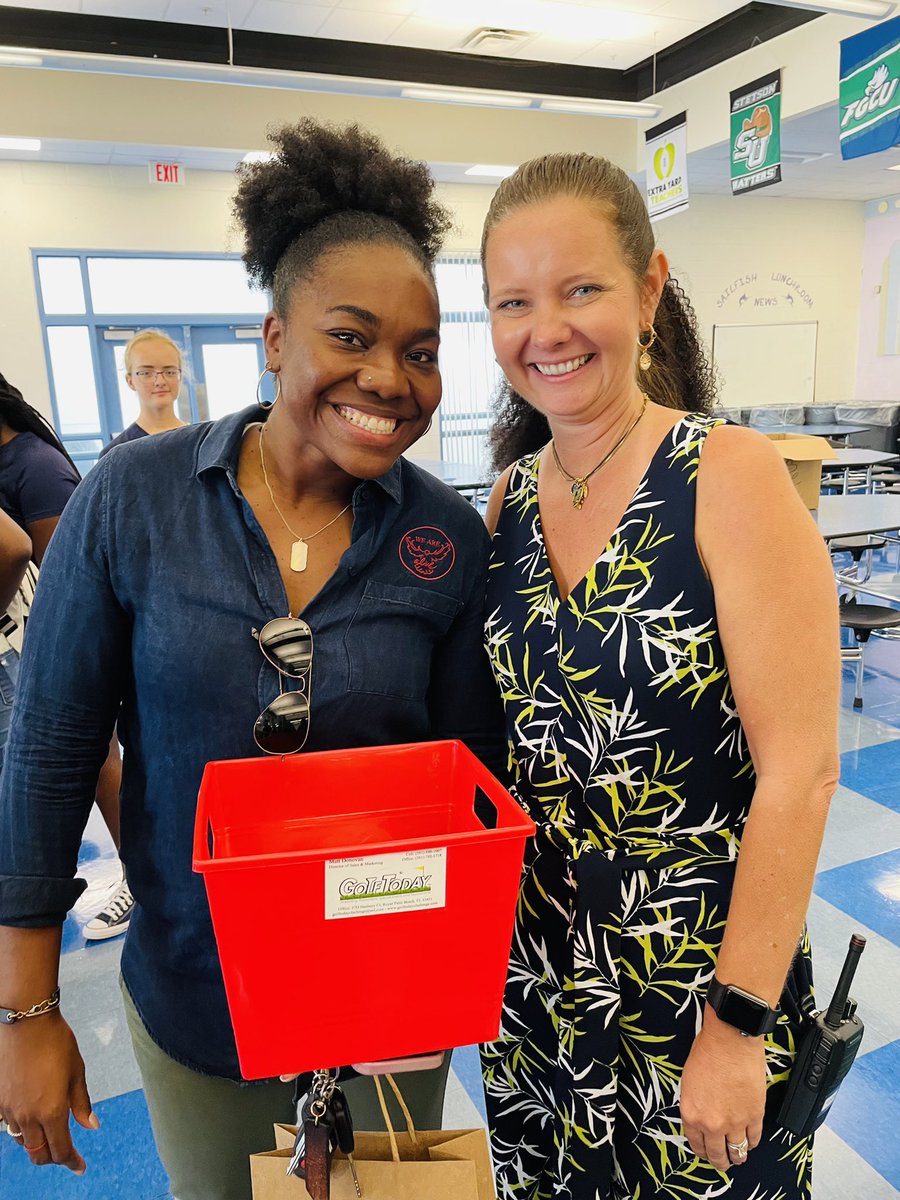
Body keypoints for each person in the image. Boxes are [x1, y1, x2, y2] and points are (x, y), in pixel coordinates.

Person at [0, 119, 504, 1200]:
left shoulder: (444, 538)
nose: (391, 378)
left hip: (390, 1010)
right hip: (200, 999)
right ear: (276, 339)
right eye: (351, 336)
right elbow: (48, 748)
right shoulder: (133, 501)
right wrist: (28, 1009)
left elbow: (467, 779)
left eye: (421, 352)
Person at [478, 153, 840, 1199]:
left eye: (580, 289)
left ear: (647, 292)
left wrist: (739, 1025)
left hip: (695, 978)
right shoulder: (505, 501)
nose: (546, 329)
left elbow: (802, 775)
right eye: (514, 302)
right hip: (539, 983)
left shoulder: (726, 476)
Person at [0, 372, 126, 939]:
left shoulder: (36, 466)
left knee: (93, 761)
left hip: (37, 645)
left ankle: (139, 878)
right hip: (28, 647)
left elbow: (73, 582)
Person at [99, 330, 186, 457]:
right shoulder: (115, 454)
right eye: (146, 373)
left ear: (180, 377)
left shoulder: (203, 441)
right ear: (130, 381)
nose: (160, 381)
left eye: (170, 372)